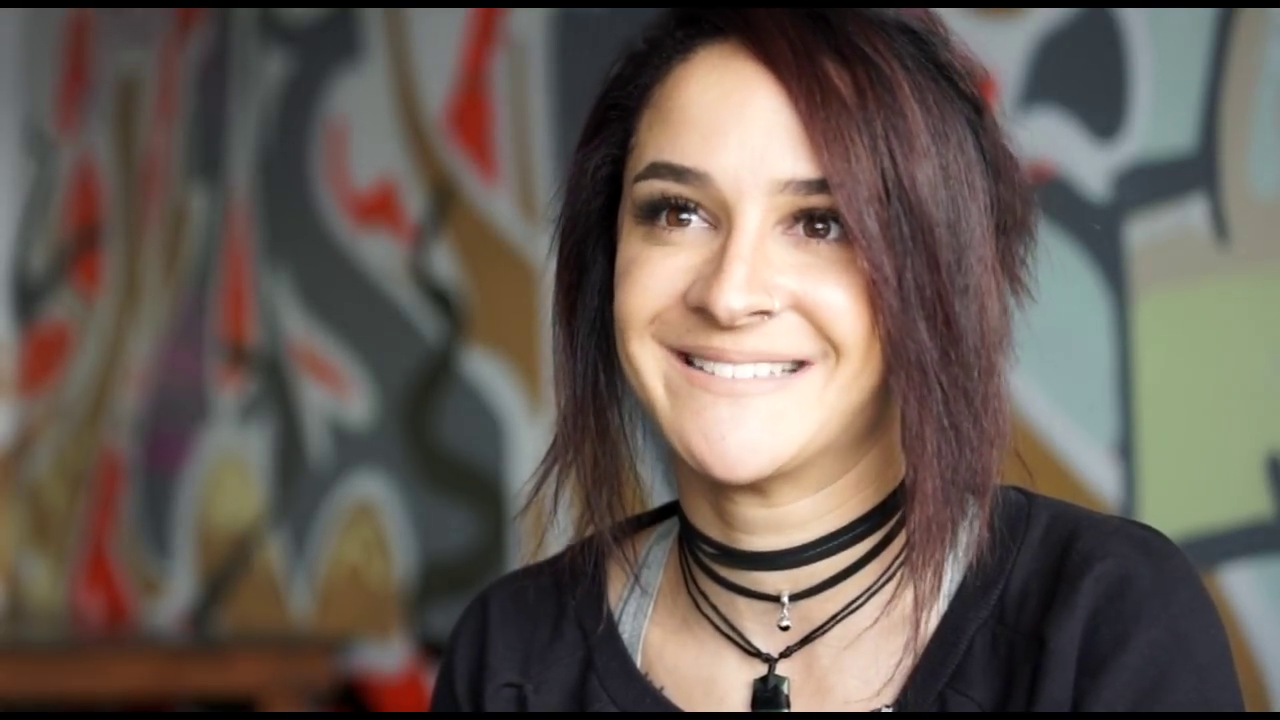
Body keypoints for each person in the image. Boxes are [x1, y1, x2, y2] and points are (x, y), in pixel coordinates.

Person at [429, 8, 1246, 712]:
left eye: (821, 223)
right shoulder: (510, 659)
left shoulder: (1106, 623)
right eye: (678, 212)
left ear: (934, 275)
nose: (730, 293)